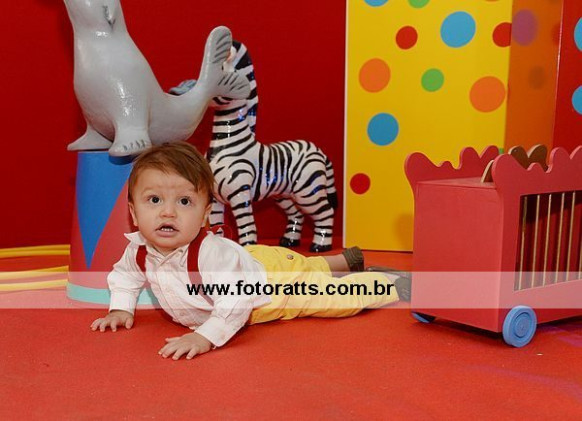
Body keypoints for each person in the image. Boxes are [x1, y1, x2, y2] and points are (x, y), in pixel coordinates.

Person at [90, 142, 411, 360]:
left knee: (332, 299)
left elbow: (236, 302)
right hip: (255, 260)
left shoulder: (208, 255)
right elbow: (125, 277)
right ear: (133, 212)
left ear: (205, 214)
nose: (168, 212)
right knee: (300, 264)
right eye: (154, 200)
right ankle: (345, 261)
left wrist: (206, 336)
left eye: (184, 201)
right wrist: (121, 309)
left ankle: (390, 284)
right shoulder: (139, 250)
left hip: (272, 289)